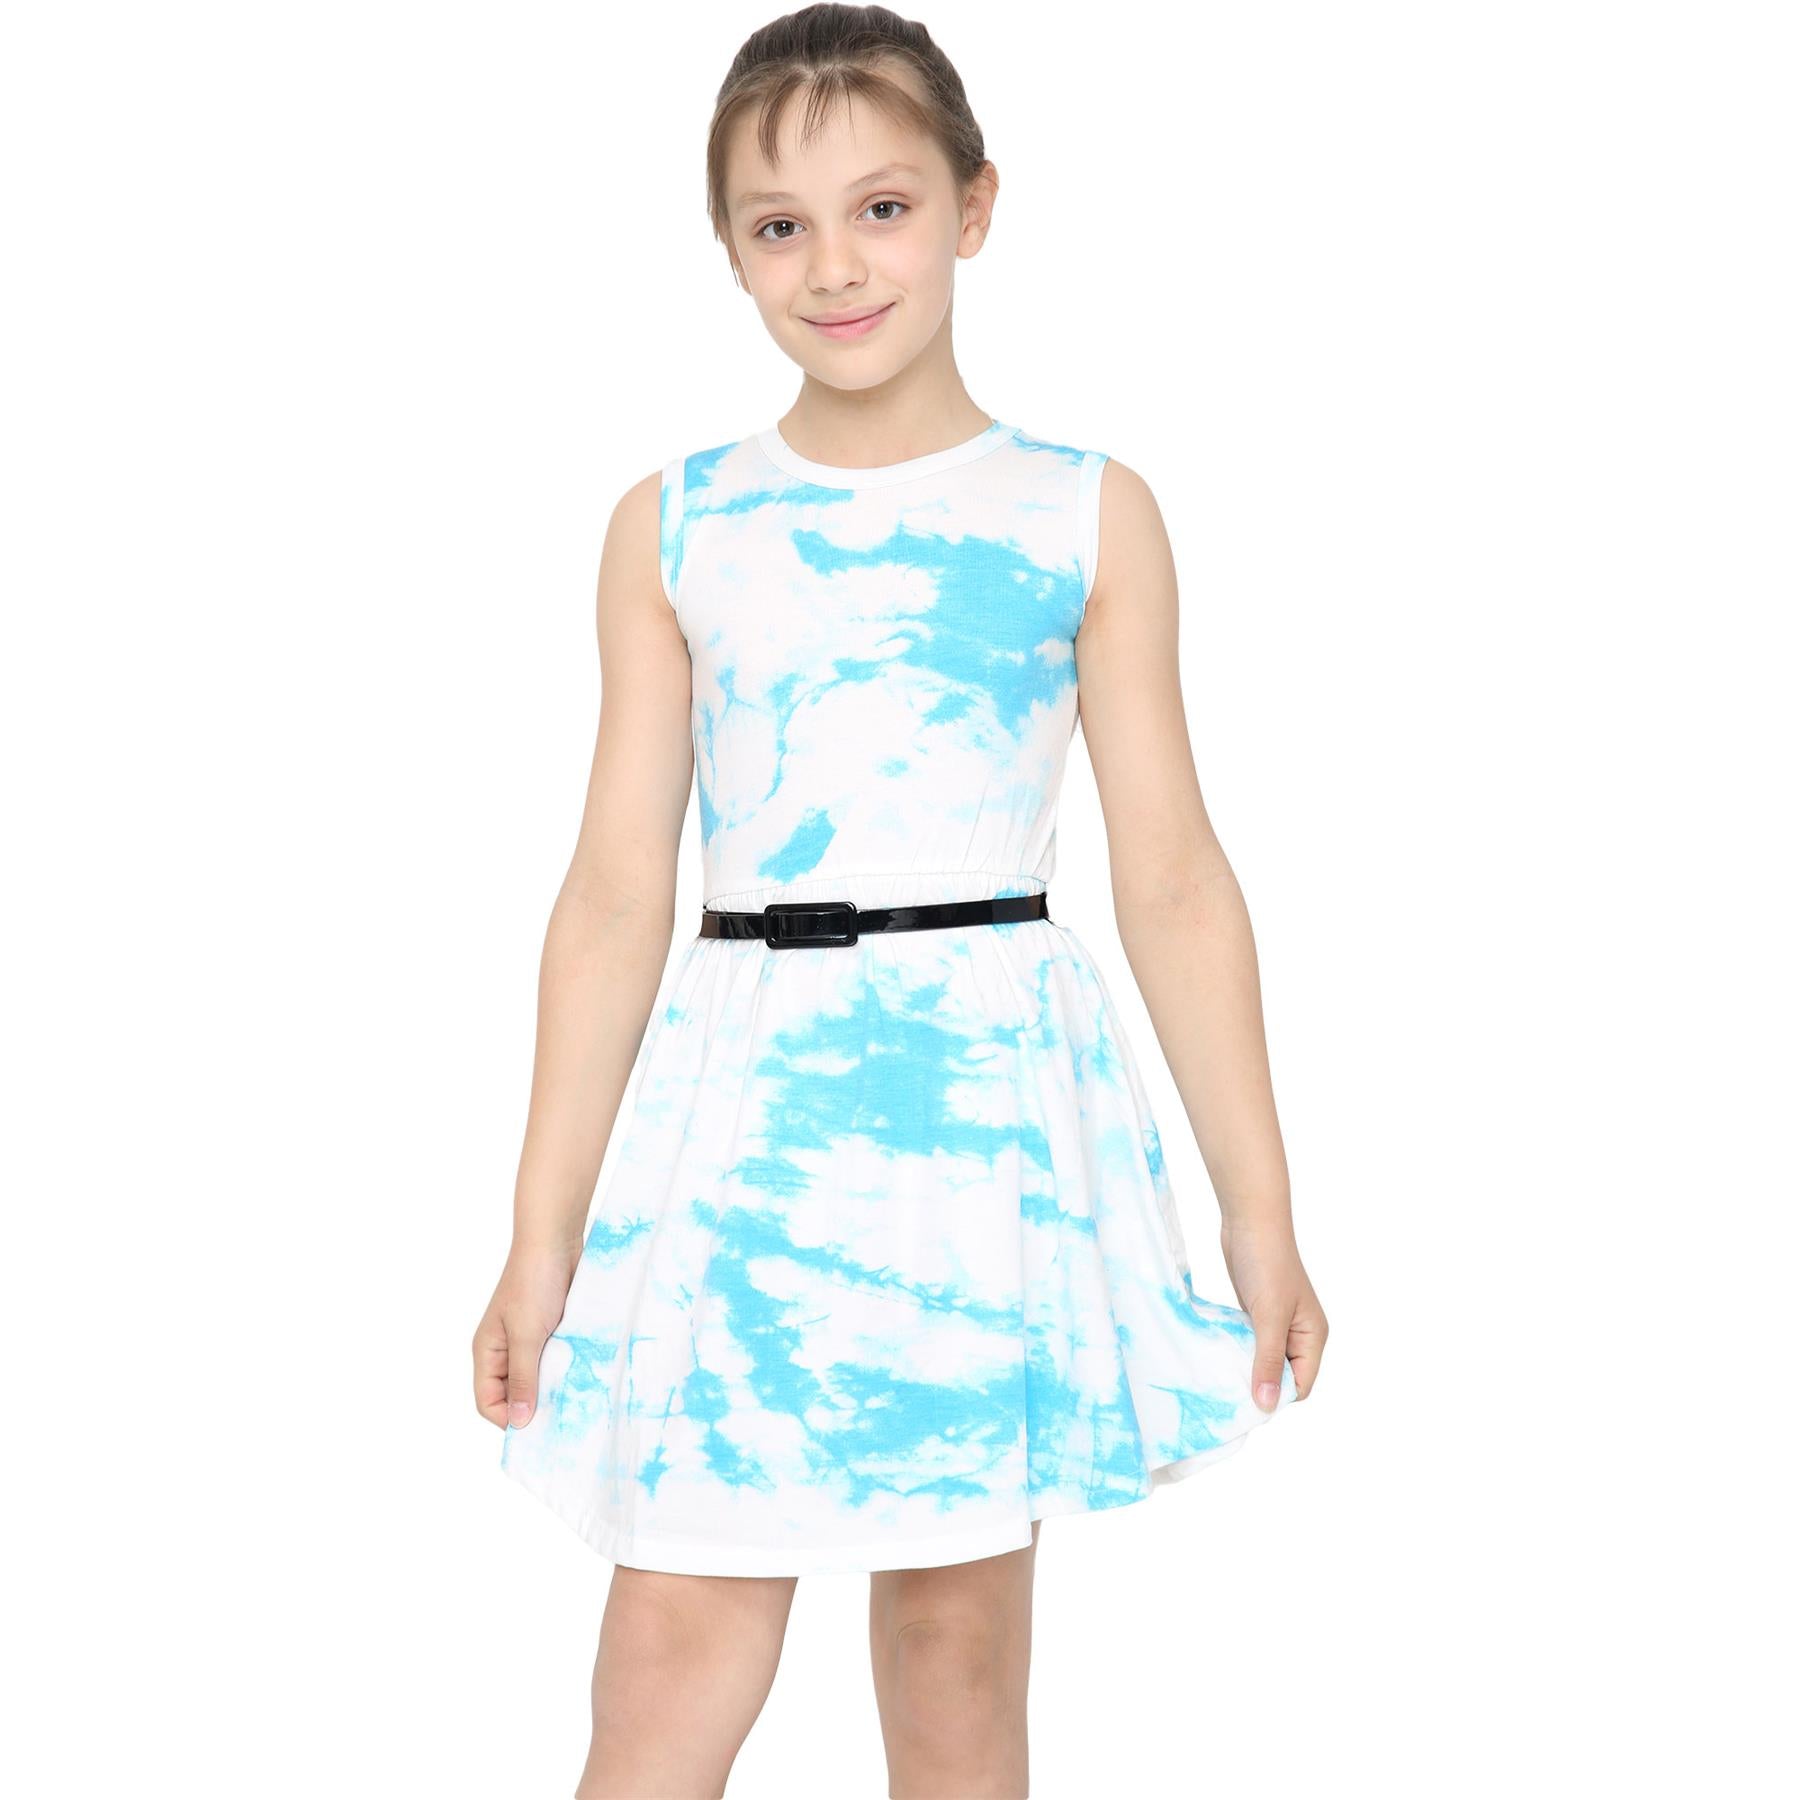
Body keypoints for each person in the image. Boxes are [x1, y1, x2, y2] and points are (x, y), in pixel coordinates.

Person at [472, 5, 1328, 1794]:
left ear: (973, 207)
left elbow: (1172, 873)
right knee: (672, 1640)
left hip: (982, 1126)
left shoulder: (1084, 511)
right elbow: (616, 891)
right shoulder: (677, 522)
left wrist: (1259, 1207)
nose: (838, 265)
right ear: (729, 250)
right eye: (780, 225)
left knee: (956, 1648)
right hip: (746, 1118)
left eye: (885, 208)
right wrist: (541, 1235)